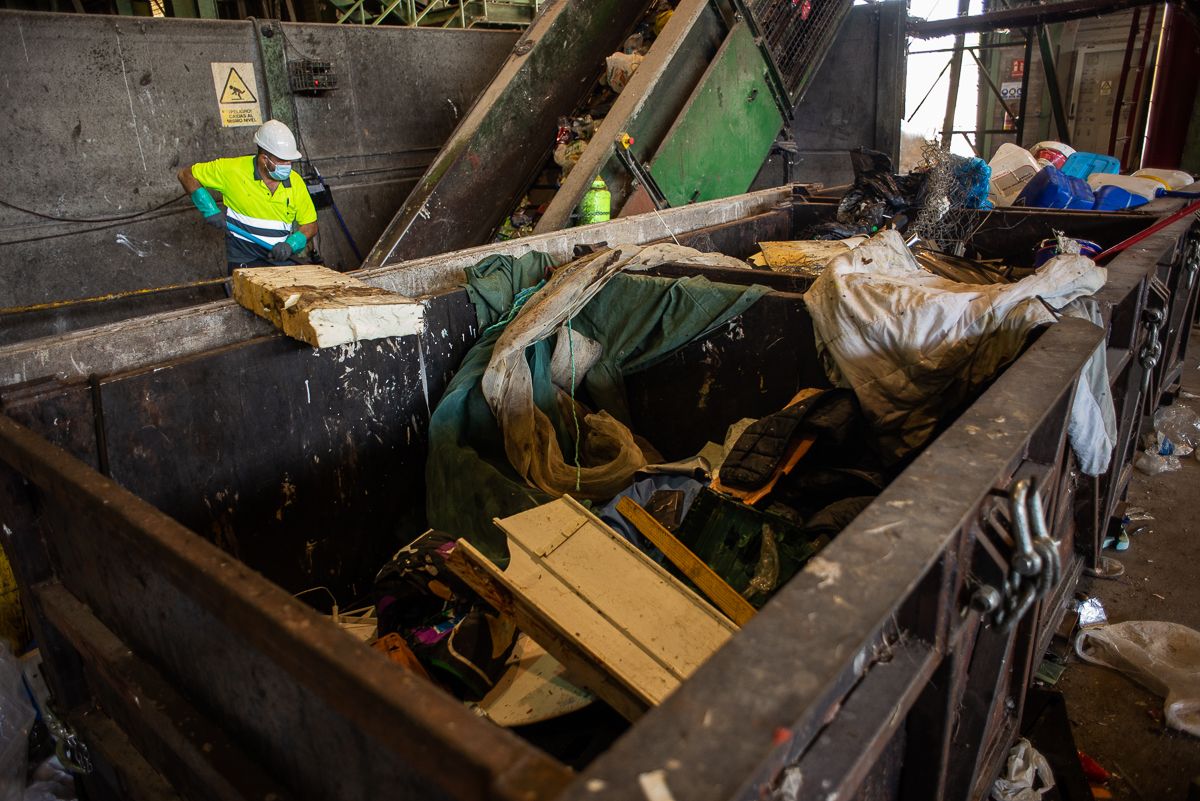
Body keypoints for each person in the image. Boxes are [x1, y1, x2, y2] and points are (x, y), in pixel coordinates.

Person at [177, 119, 318, 276]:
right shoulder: (232, 170)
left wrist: (291, 245)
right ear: (264, 159)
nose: (287, 166)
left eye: (290, 161)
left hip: (279, 257)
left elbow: (310, 225)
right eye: (282, 161)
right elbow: (186, 175)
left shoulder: (295, 181)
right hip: (245, 259)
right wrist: (209, 209)